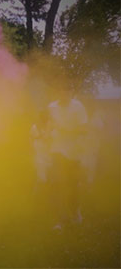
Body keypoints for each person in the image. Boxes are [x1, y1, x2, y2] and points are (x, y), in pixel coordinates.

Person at [46, 84, 88, 229]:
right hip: (57, 150)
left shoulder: (78, 106)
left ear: (71, 91)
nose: (64, 93)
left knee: (72, 186)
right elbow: (49, 126)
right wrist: (48, 133)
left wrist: (67, 130)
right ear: (57, 91)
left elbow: (83, 129)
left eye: (67, 90)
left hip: (73, 152)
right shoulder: (51, 107)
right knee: (58, 184)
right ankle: (61, 220)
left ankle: (75, 211)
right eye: (61, 90)